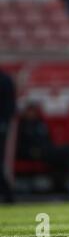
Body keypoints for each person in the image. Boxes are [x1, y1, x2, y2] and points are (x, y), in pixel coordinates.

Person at [0, 69, 16, 203]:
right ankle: (7, 193)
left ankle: (7, 193)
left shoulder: (4, 80)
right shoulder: (6, 79)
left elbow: (10, 104)